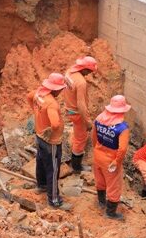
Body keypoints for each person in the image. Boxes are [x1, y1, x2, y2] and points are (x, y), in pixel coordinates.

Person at [26, 73, 70, 210]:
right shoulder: (51, 103)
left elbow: (29, 96)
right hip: (51, 142)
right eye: (61, 89)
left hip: (39, 136)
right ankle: (54, 200)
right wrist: (52, 129)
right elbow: (55, 123)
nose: (61, 91)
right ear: (55, 89)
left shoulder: (39, 93)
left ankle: (42, 185)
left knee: (40, 161)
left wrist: (36, 112)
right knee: (53, 169)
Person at [91, 95, 131, 220]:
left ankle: (101, 202)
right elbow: (123, 148)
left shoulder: (98, 119)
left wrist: (97, 149)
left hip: (98, 155)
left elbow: (93, 136)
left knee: (100, 180)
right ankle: (110, 213)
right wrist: (117, 161)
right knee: (114, 185)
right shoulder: (122, 127)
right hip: (110, 161)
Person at [63, 56, 98, 173]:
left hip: (69, 108)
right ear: (84, 68)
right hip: (77, 113)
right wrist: (88, 122)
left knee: (77, 134)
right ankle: (76, 166)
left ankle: (74, 160)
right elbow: (81, 104)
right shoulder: (81, 82)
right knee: (81, 138)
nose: (88, 74)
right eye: (88, 71)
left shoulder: (69, 72)